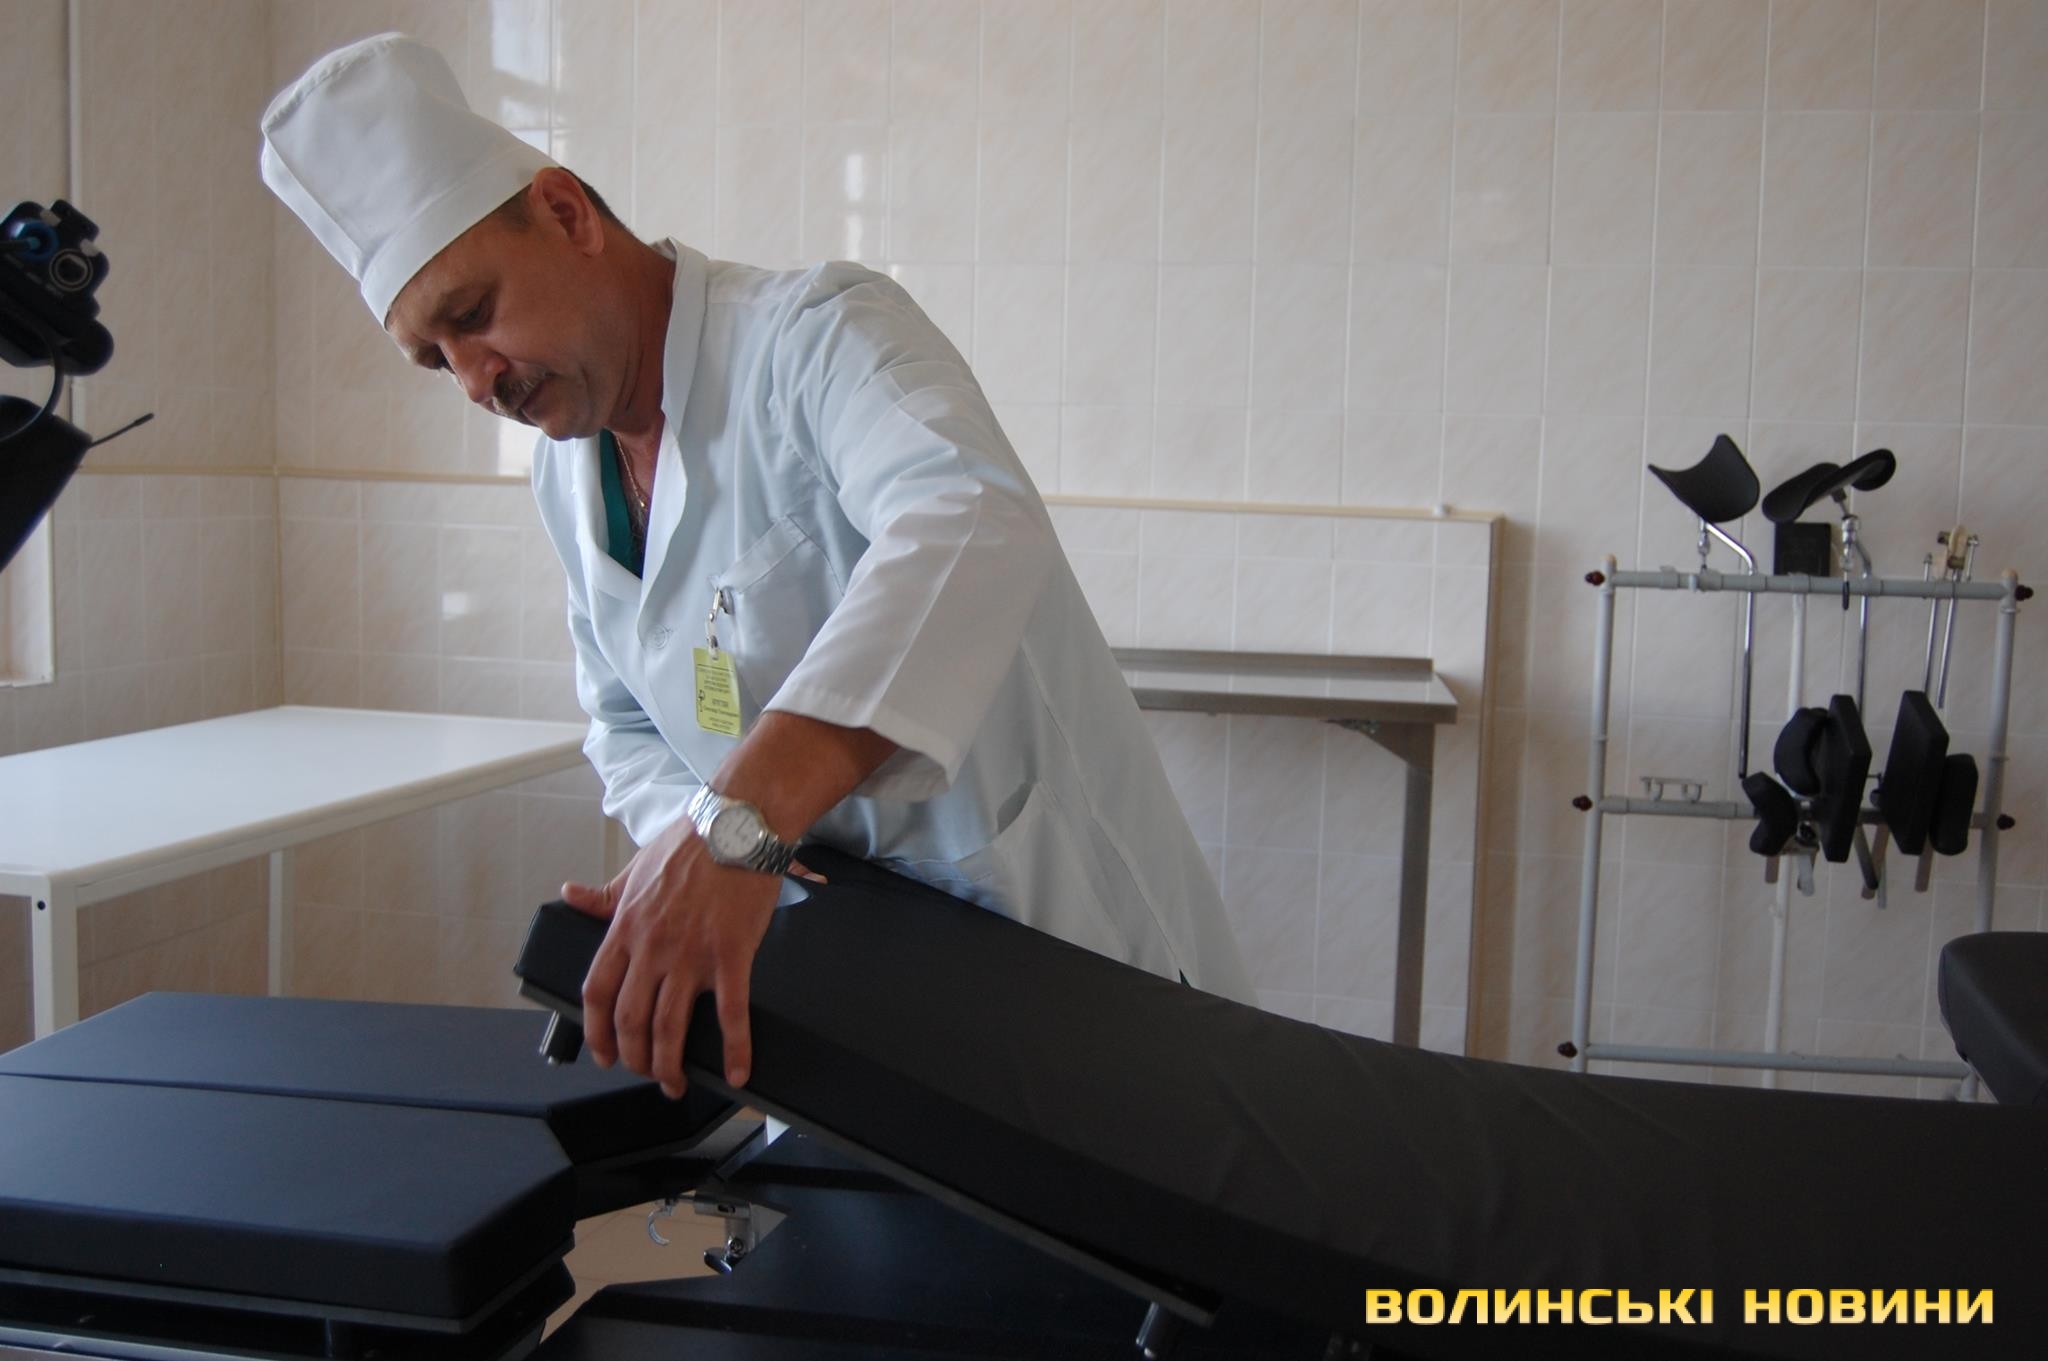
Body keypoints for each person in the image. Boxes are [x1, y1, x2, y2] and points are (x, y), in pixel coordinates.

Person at [261, 33, 1255, 1101]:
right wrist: (702, 863)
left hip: (1062, 956)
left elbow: (967, 519)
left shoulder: (817, 336)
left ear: (565, 212)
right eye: (435, 358)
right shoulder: (568, 473)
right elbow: (624, 723)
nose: (473, 380)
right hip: (831, 991)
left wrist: (738, 828)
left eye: (472, 316)